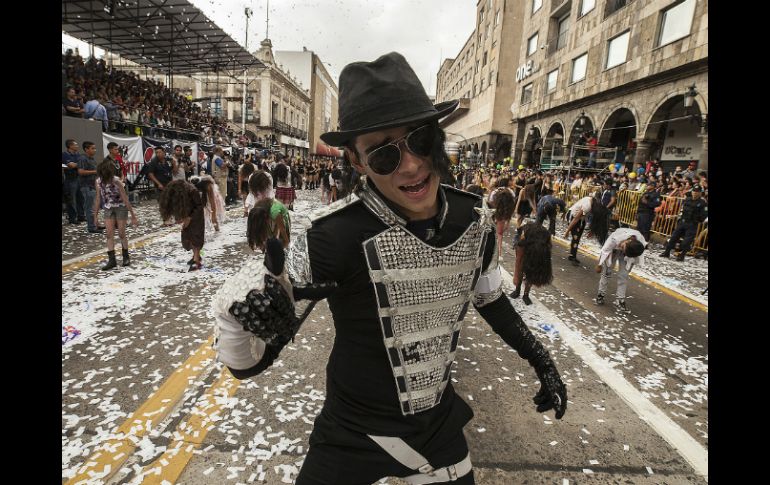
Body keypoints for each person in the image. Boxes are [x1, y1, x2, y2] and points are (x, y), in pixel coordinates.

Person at [211, 52, 567, 485]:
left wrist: (539, 357)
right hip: (350, 435)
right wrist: (237, 312)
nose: (412, 165)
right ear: (357, 162)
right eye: (384, 156)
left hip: (438, 432)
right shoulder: (333, 237)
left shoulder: (473, 221)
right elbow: (249, 364)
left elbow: (490, 299)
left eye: (419, 140)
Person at [93, 160, 138, 270]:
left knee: (122, 233)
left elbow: (125, 198)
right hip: (108, 208)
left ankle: (126, 257)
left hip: (121, 208)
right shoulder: (98, 182)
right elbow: (98, 198)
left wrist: (133, 215)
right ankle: (112, 260)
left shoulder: (116, 181)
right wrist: (95, 216)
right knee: (109, 234)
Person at [594, 228, 647, 313]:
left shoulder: (639, 244)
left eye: (623, 250)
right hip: (613, 249)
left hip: (629, 252)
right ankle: (600, 295)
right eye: (623, 247)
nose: (622, 249)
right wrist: (599, 264)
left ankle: (620, 300)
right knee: (606, 272)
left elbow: (635, 258)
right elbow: (605, 250)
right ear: (628, 241)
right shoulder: (615, 238)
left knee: (624, 275)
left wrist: (627, 269)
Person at [159, 179, 206, 271]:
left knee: (196, 237)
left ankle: (196, 261)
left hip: (196, 216)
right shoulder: (179, 193)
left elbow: (199, 206)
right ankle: (196, 256)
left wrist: (189, 218)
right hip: (188, 215)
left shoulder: (192, 191)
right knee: (188, 236)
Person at [660, 185, 707, 262]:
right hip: (682, 222)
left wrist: (696, 220)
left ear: (700, 193)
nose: (694, 193)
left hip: (692, 224)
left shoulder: (702, 203)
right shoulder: (687, 200)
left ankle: (682, 256)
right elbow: (682, 210)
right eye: (694, 191)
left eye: (697, 192)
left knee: (686, 242)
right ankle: (666, 252)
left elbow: (704, 215)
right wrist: (678, 218)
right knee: (673, 238)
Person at [509, 223, 553, 305]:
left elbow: (541, 266)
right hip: (524, 239)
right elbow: (519, 260)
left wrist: (537, 277)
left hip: (535, 240)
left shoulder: (545, 242)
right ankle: (517, 290)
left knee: (531, 269)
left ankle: (526, 295)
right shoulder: (522, 241)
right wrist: (515, 276)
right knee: (522, 266)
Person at [563, 194, 609, 266]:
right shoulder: (587, 206)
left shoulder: (595, 204)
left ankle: (572, 255)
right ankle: (573, 257)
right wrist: (567, 231)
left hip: (582, 219)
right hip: (573, 216)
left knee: (577, 238)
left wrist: (591, 231)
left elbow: (594, 219)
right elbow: (576, 219)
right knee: (576, 237)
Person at [78, 141, 103, 233]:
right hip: (86, 186)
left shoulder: (92, 159)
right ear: (86, 149)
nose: (94, 150)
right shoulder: (83, 159)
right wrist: (94, 172)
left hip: (93, 185)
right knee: (90, 208)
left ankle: (96, 224)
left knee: (95, 207)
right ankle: (92, 227)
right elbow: (80, 171)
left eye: (94, 148)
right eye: (92, 148)